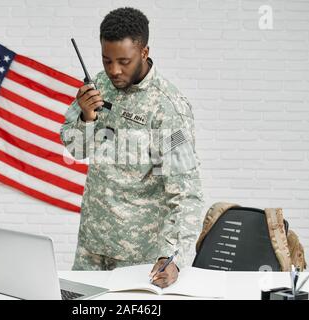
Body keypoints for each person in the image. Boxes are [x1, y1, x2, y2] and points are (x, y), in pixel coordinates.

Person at [61, 7, 204, 289]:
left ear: (144, 52)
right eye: (106, 60)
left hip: (139, 258)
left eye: (124, 61)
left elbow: (187, 192)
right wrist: (86, 118)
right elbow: (74, 150)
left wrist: (173, 257)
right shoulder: (99, 86)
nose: (114, 70)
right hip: (91, 248)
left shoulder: (168, 109)